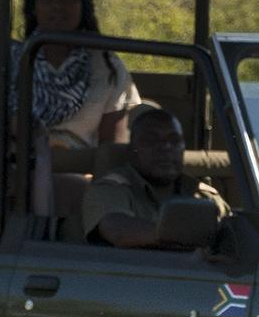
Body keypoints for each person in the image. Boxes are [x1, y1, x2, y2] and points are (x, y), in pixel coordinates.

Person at [0, 0, 139, 147]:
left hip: (80, 171)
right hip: (18, 169)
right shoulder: (11, 61)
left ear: (83, 6)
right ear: (34, 8)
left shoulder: (106, 65)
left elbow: (112, 148)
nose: (58, 6)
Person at [76, 104, 228, 249]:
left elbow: (234, 234)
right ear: (132, 151)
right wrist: (188, 235)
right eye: (151, 140)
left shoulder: (203, 196)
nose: (165, 147)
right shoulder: (109, 190)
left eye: (174, 140)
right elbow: (119, 231)